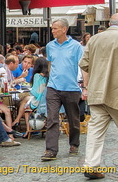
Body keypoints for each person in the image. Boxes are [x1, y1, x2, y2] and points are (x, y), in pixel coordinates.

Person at [79, 13, 118, 179]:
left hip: (97, 93)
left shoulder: (95, 39)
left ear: (110, 23)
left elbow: (84, 64)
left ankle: (91, 164)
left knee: (95, 130)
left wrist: (88, 86)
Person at [41, 18, 83, 161]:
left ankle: (74, 143)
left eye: (55, 28)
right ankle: (51, 150)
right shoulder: (50, 46)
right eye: (52, 28)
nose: (52, 31)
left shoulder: (76, 46)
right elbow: (50, 64)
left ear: (64, 29)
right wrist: (50, 79)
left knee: (73, 119)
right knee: (52, 118)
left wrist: (86, 87)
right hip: (53, 87)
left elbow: (83, 66)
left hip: (71, 87)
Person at [12, 57, 49, 138]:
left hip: (38, 101)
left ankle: (27, 129)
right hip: (46, 101)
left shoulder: (37, 76)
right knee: (25, 101)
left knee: (26, 107)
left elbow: (35, 92)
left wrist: (31, 90)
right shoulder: (48, 76)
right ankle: (18, 120)